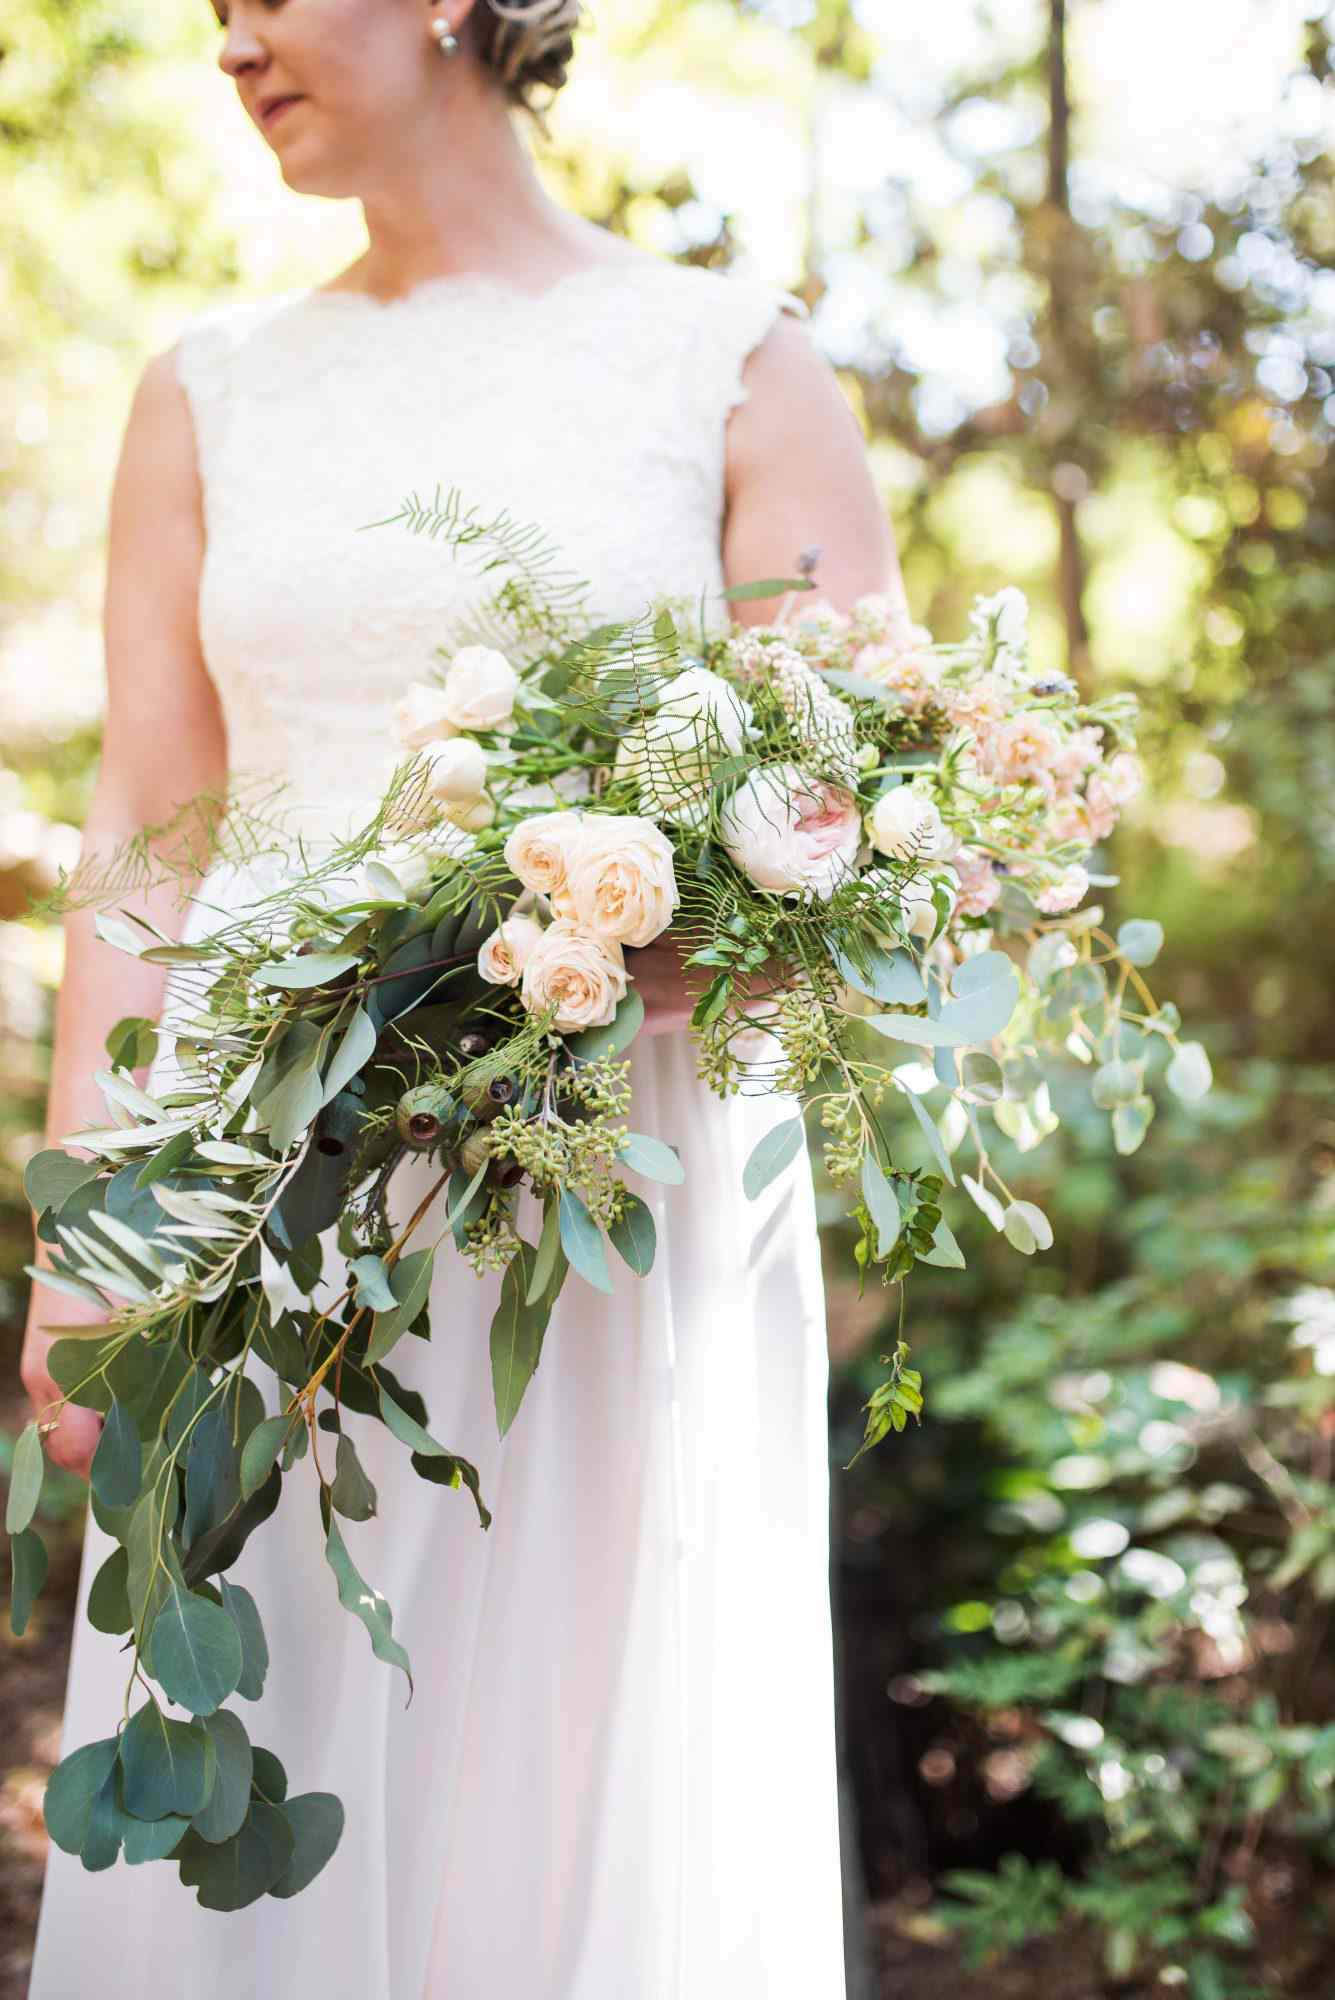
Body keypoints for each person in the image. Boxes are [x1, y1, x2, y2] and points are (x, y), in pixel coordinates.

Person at [21, 0, 906, 1992]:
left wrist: (660, 936)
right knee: (267, 1741)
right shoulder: (211, 388)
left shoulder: (732, 364)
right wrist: (87, 1226)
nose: (226, 38)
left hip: (602, 1205)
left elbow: (856, 800)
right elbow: (152, 824)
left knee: (558, 1788)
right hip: (255, 1191)